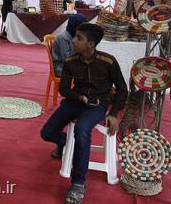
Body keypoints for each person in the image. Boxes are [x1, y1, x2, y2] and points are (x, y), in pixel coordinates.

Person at [40, 23, 127, 204]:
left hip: (97, 106)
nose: (73, 40)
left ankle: (78, 183)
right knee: (46, 133)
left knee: (82, 129)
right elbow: (63, 89)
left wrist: (114, 113)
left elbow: (121, 90)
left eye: (79, 38)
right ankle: (64, 143)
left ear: (91, 44)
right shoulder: (71, 62)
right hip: (75, 102)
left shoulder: (108, 62)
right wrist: (79, 97)